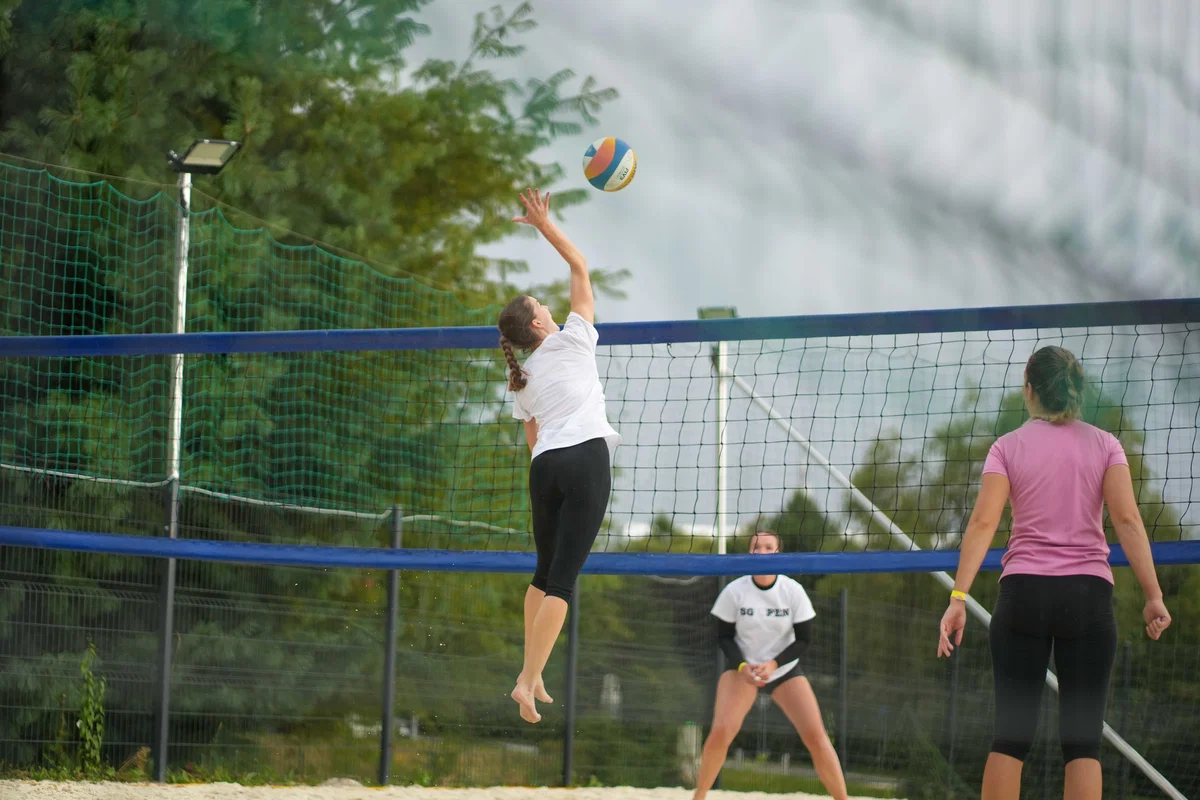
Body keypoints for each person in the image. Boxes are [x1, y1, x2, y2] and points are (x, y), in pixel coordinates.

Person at [938, 345, 1172, 800]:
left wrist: (958, 598)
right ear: (1076, 390)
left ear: (1029, 388)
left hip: (1023, 594)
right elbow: (1127, 522)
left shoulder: (1007, 447)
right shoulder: (1107, 445)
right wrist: (1153, 594)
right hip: (1088, 596)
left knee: (1010, 737)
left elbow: (983, 523)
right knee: (1083, 742)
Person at [498, 188, 621, 724]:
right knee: (563, 582)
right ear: (540, 324)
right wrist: (543, 225)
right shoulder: (574, 339)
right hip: (585, 459)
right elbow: (580, 263)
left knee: (543, 575)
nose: (549, 306)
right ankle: (526, 681)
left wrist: (547, 473)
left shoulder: (521, 381)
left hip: (544, 468)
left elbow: (532, 442)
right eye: (542, 305)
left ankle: (533, 671)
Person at [693, 531, 848, 800]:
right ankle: (700, 796)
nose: (762, 551)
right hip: (744, 669)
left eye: (768, 547)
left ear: (778, 553)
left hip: (784, 669)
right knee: (720, 732)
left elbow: (804, 639)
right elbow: (723, 637)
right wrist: (742, 666)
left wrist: (774, 663)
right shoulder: (735, 590)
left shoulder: (792, 591)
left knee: (816, 736)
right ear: (749, 553)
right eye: (756, 547)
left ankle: (843, 799)